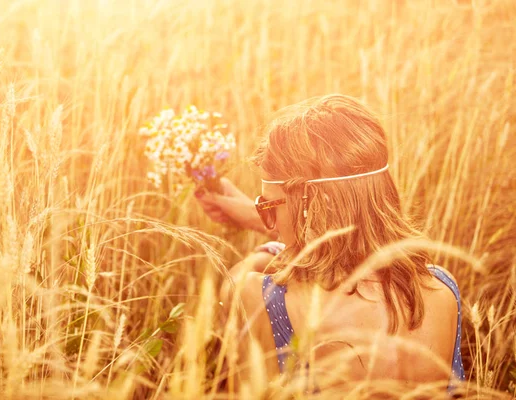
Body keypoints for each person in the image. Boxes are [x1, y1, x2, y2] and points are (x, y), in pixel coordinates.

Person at [195, 95, 465, 393]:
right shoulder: (442, 291)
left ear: (318, 206)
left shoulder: (261, 300)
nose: (268, 220)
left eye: (270, 207)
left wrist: (259, 255)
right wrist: (267, 220)